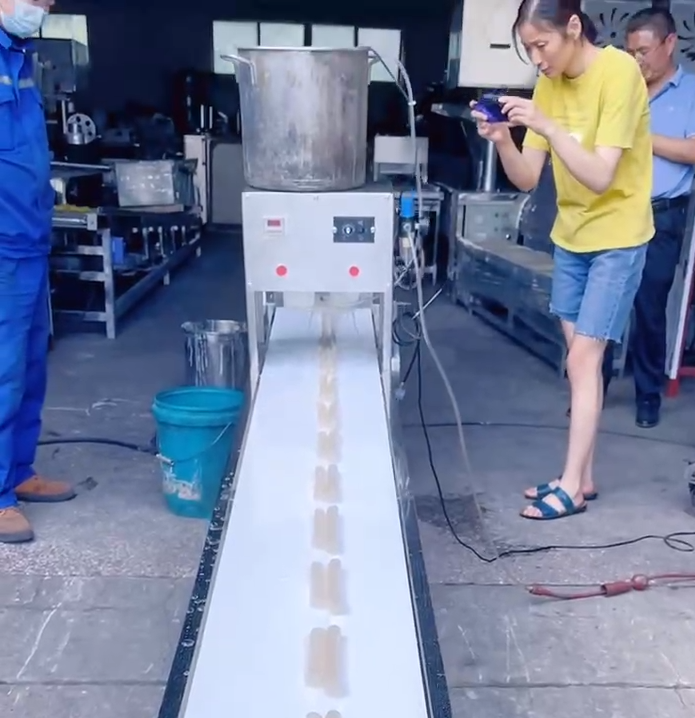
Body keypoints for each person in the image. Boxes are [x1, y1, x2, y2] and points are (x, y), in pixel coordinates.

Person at [471, 0, 654, 520]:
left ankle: (570, 486)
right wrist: (503, 140)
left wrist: (549, 127)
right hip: (571, 236)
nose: (537, 58)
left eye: (541, 45)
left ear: (573, 27)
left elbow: (599, 176)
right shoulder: (549, 83)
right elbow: (528, 177)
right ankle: (583, 476)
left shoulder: (619, 73)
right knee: (579, 362)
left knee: (583, 360)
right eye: (528, 49)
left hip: (617, 236)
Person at [0, 0, 76, 544]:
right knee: (2, 373)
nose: (43, 6)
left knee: (29, 367)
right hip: (2, 244)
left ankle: (19, 470)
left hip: (29, 239)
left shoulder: (19, 57)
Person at [601, 9, 695, 429]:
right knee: (603, 306)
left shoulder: (691, 92)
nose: (636, 60)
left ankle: (647, 396)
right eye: (630, 52)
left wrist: (641, 137)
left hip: (662, 216)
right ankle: (593, 390)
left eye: (643, 51)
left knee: (650, 308)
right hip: (614, 210)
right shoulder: (621, 87)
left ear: (669, 43)